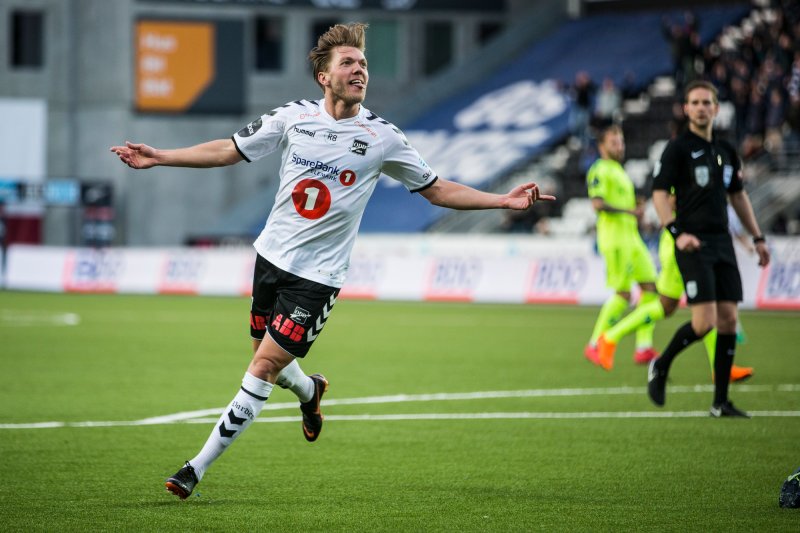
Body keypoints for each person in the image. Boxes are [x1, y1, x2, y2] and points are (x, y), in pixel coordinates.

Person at [110, 22, 555, 499]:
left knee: (261, 368)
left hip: (318, 278)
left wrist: (501, 201)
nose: (359, 69)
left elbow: (438, 189)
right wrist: (161, 156)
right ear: (324, 75)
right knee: (274, 367)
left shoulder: (382, 137)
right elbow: (230, 149)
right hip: (270, 259)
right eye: (348, 63)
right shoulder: (293, 117)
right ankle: (311, 391)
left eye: (363, 63)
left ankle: (194, 468)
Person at [646, 80, 769, 418]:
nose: (701, 108)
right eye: (695, 102)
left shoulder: (727, 150)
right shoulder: (677, 149)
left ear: (716, 108)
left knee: (729, 320)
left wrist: (758, 238)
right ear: (686, 109)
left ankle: (720, 402)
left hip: (722, 242)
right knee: (705, 323)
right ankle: (661, 363)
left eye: (707, 102)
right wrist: (676, 231)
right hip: (693, 242)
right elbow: (659, 194)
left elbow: (738, 196)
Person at [596, 200, 755, 383]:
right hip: (680, 244)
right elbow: (668, 200)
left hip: (696, 244)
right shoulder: (683, 176)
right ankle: (609, 337)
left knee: (705, 305)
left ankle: (721, 368)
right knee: (670, 306)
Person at [583, 125, 659, 370]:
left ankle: (643, 347)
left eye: (621, 141)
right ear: (602, 146)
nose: (620, 146)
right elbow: (598, 204)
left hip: (632, 238)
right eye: (614, 142)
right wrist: (629, 210)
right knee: (623, 294)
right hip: (615, 240)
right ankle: (595, 344)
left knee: (651, 287)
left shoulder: (620, 171)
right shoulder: (599, 170)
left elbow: (625, 207)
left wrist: (636, 211)